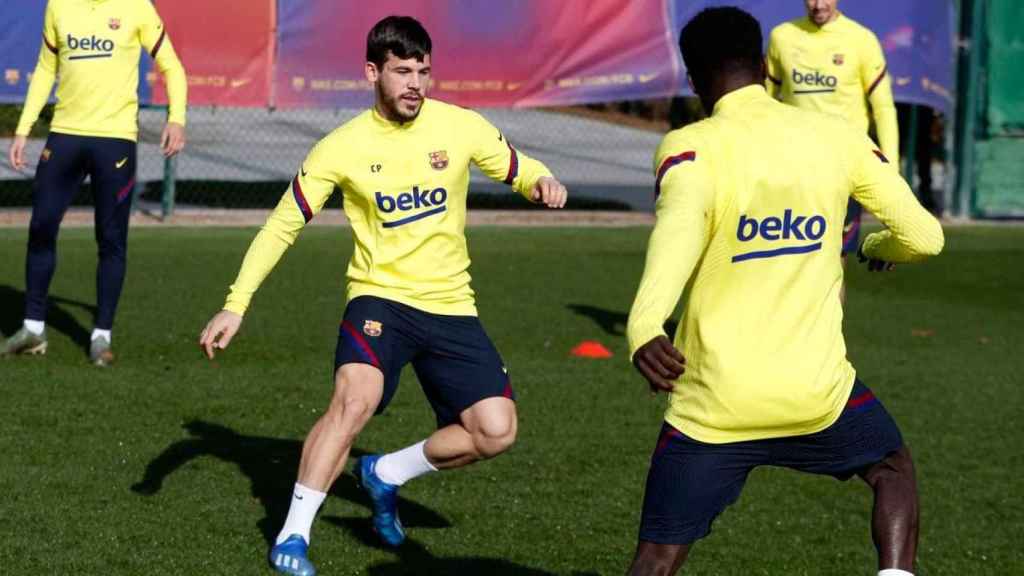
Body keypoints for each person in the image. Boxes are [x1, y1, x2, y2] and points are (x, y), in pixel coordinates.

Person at [197, 16, 567, 576]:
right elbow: (281, 226)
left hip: (450, 304)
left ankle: (385, 473)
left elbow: (517, 167)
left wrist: (542, 179)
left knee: (496, 431)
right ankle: (292, 535)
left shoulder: (461, 126)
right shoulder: (341, 147)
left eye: (423, 71)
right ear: (373, 72)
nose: (415, 83)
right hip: (380, 300)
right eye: (401, 71)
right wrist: (235, 302)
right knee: (354, 401)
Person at [625, 7, 942, 576]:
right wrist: (873, 250)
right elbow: (924, 237)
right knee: (893, 469)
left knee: (656, 557)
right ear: (764, 68)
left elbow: (672, 246)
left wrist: (644, 328)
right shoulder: (839, 137)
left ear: (693, 80)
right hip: (816, 397)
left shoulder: (688, 148)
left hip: (714, 406)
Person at [2, 0, 187, 365]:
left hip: (114, 141)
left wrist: (176, 118)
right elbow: (44, 68)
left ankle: (101, 336)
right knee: (40, 227)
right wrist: (23, 129)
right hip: (64, 137)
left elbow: (173, 67)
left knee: (111, 239)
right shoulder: (59, 6)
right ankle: (33, 328)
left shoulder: (136, 8)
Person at [766, 0, 899, 274]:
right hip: (791, 168)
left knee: (831, 262)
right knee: (782, 258)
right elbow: (761, 102)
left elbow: (884, 109)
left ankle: (830, 319)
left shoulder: (861, 40)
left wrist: (891, 169)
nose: (817, 4)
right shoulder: (782, 36)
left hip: (842, 170)